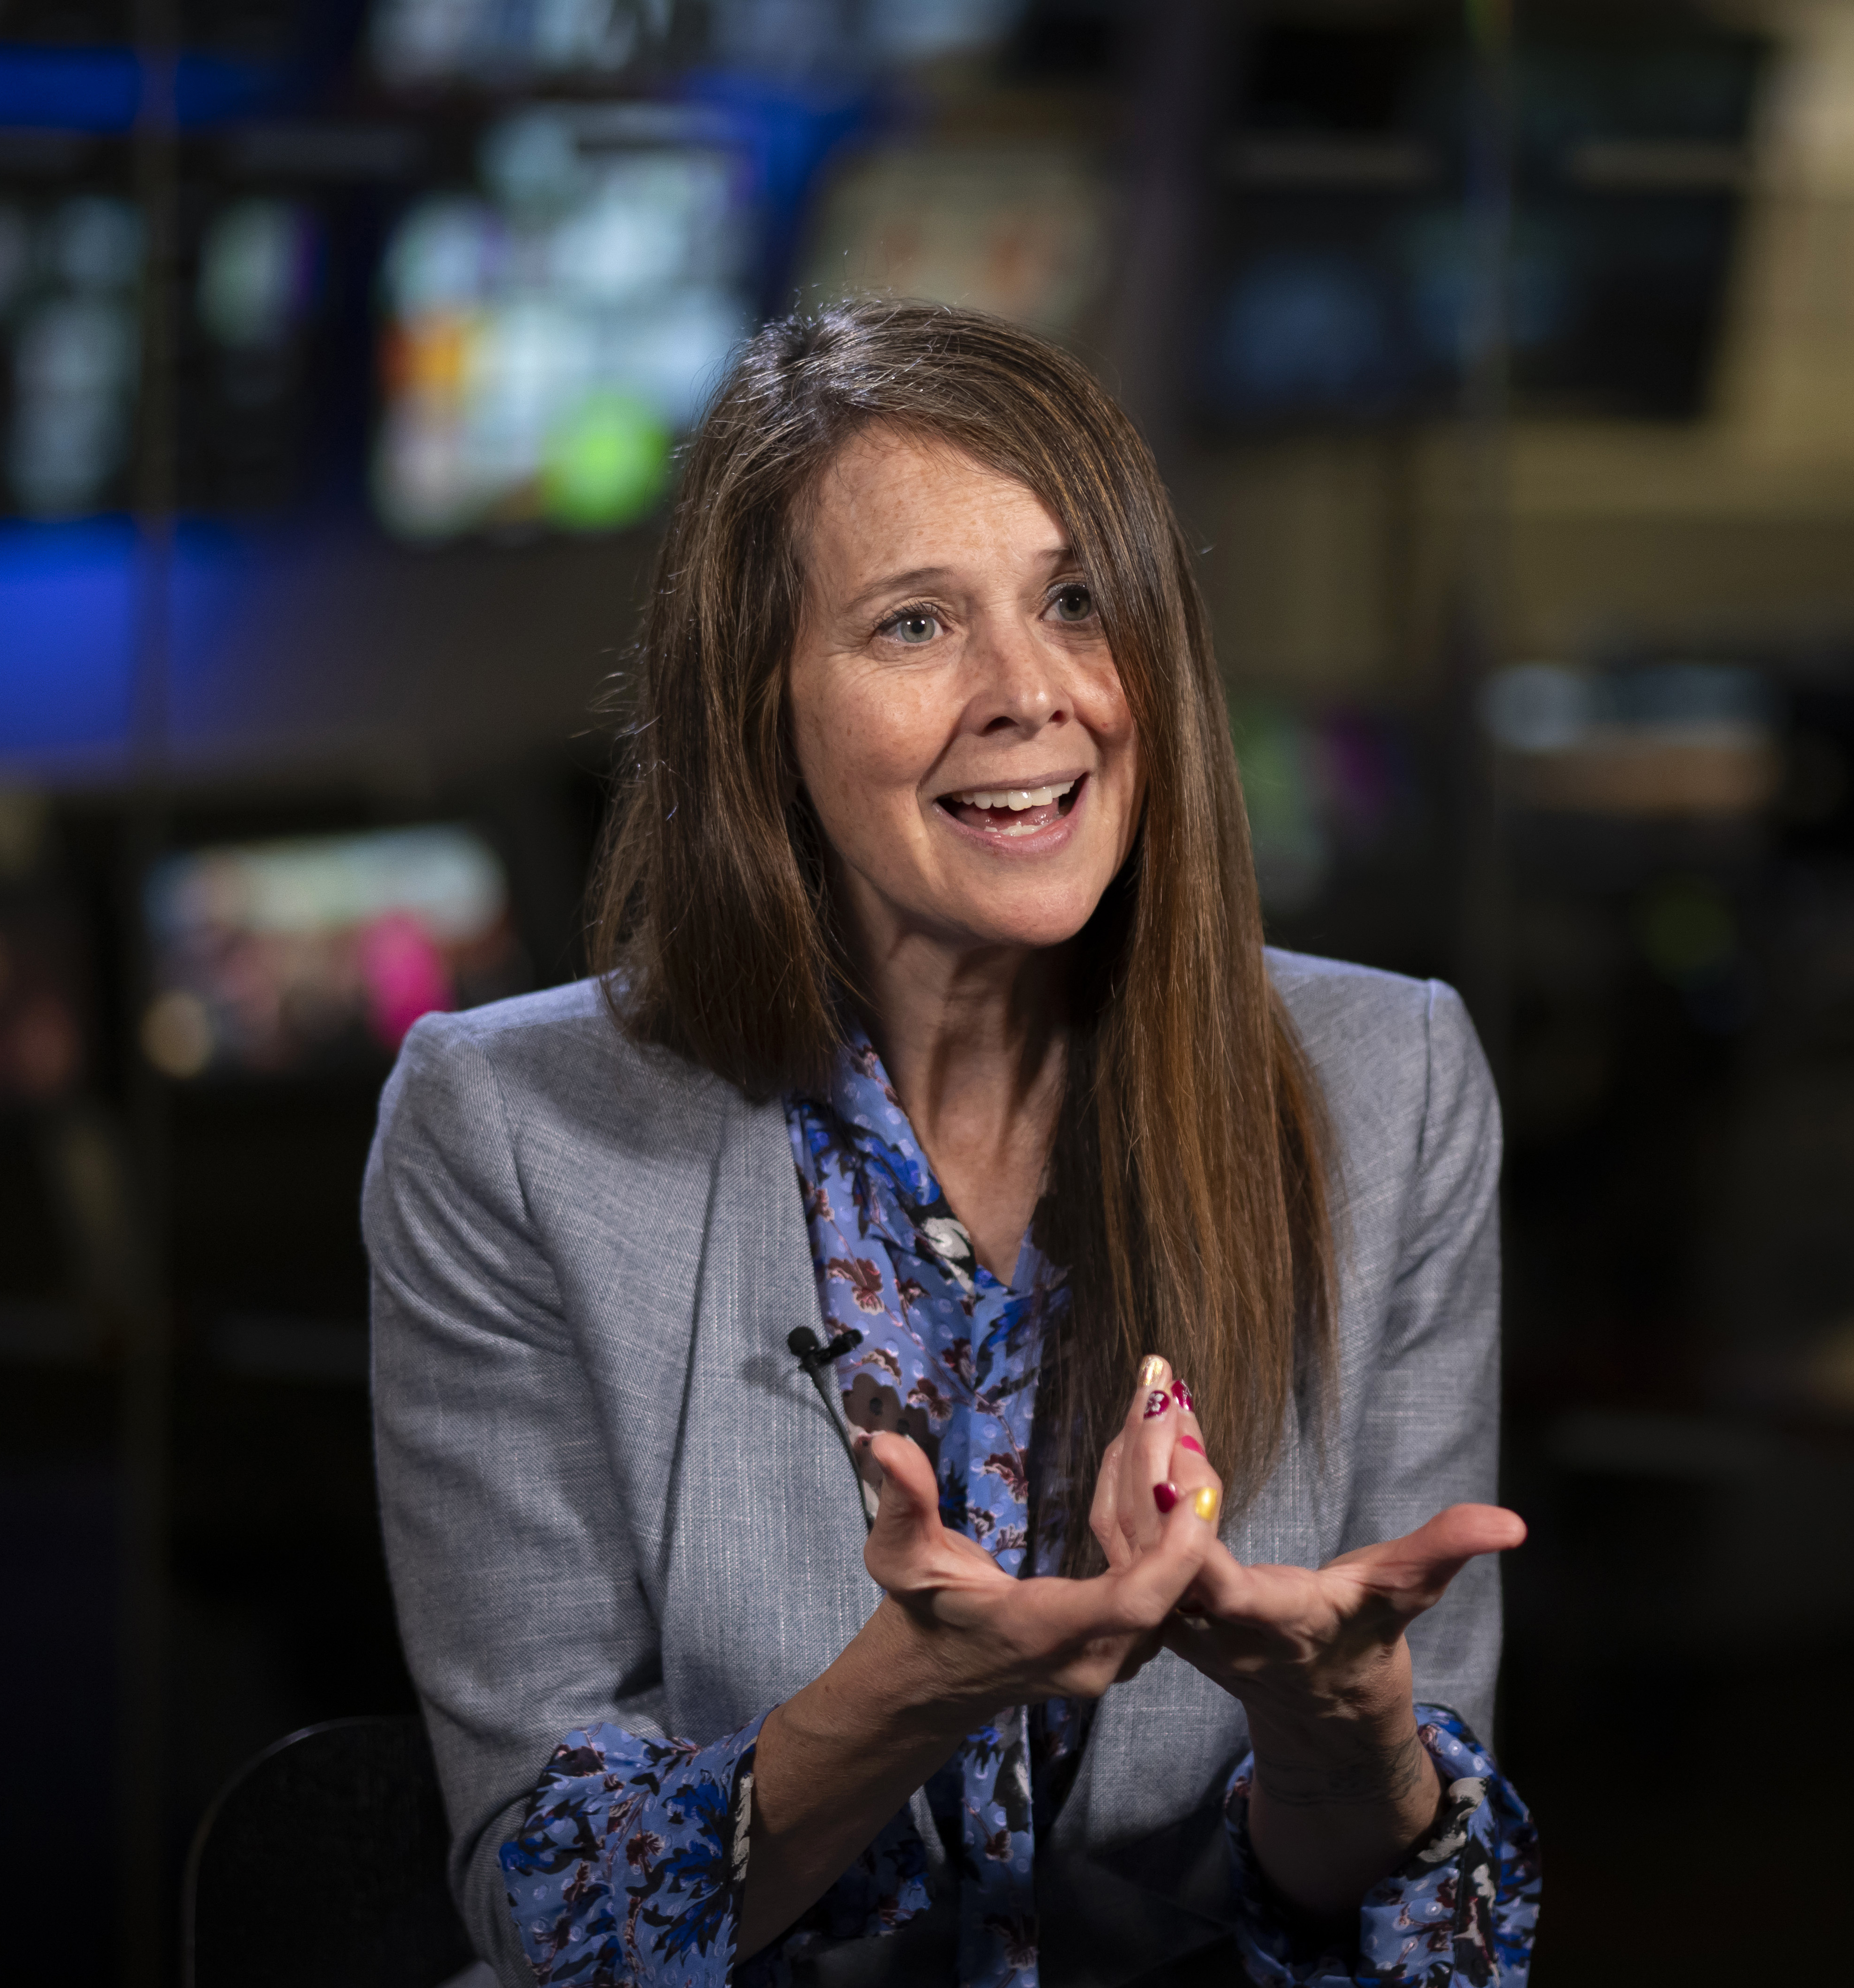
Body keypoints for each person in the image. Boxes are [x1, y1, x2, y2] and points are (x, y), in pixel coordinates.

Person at [364, 299, 1536, 1988]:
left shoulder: (1392, 1085)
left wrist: (1343, 1732)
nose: (1031, 694)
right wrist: (901, 1696)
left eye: (1077, 600)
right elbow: (552, 1912)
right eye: (917, 624)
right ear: (760, 706)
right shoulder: (510, 1132)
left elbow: (1433, 1936)